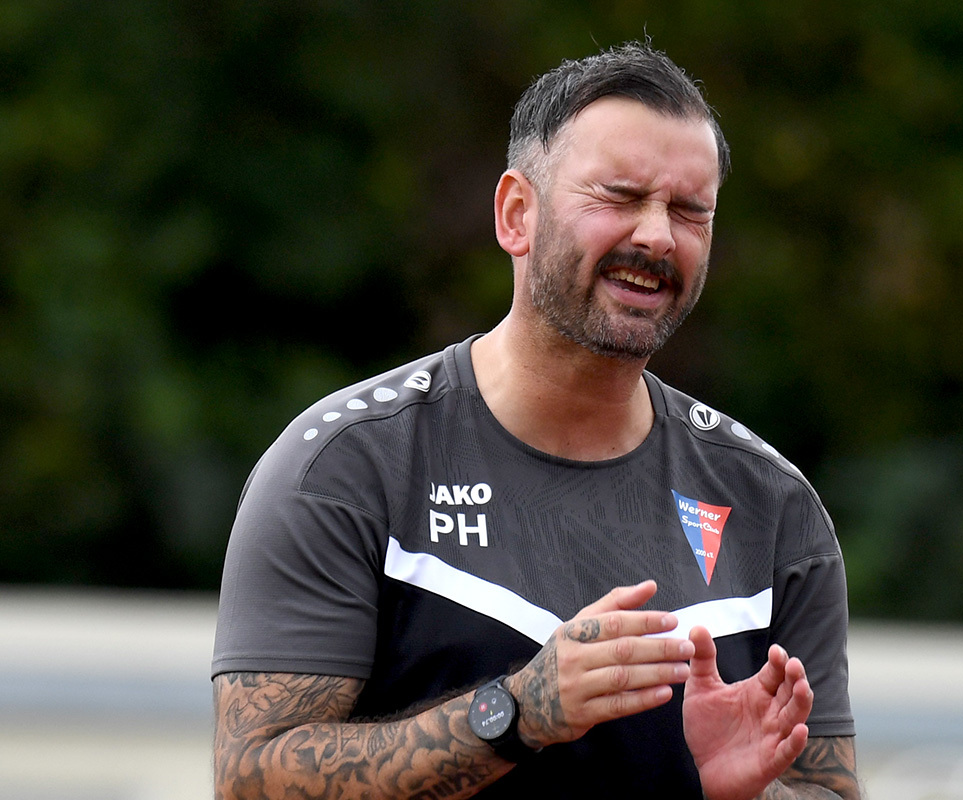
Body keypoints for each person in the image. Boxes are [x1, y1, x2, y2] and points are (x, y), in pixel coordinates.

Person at [211, 41, 859, 800]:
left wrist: (736, 794)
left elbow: (827, 790)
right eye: (620, 196)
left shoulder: (771, 506)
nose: (657, 236)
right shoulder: (347, 468)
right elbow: (251, 781)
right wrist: (519, 713)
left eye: (690, 211)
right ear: (517, 214)